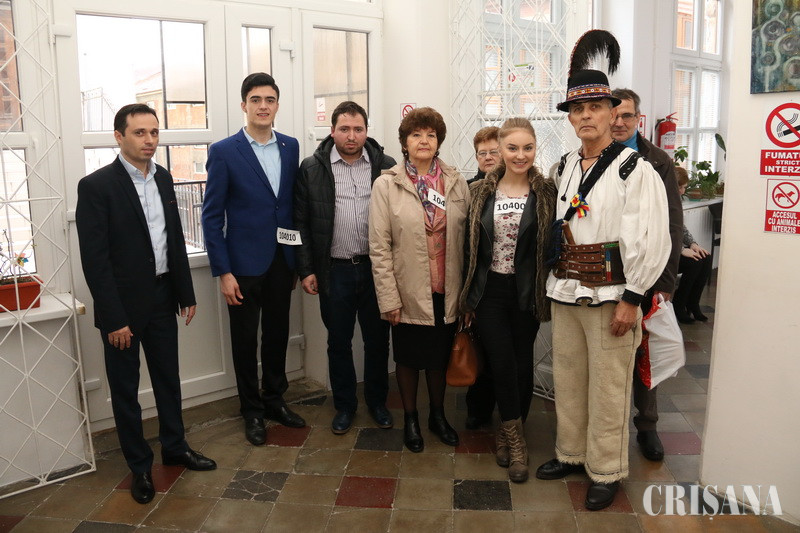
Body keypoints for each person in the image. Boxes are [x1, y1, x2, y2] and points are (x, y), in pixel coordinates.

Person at [534, 30, 670, 511]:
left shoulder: (636, 169)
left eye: (595, 107)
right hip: (566, 290)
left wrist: (633, 298)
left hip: (612, 295)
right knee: (569, 380)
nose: (586, 116)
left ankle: (606, 468)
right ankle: (572, 453)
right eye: (578, 109)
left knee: (610, 388)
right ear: (570, 118)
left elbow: (653, 239)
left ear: (614, 113)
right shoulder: (564, 167)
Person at [76, 104, 216, 504]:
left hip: (162, 297)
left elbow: (173, 239)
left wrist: (185, 293)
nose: (149, 140)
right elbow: (95, 261)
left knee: (168, 379)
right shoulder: (97, 186)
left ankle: (175, 447)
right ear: (119, 136)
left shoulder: (164, 178)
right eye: (140, 133)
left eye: (154, 132)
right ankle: (139, 466)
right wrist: (113, 318)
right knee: (125, 390)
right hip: (121, 308)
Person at [202, 73, 305, 447]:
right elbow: (211, 216)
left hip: (281, 260)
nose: (264, 106)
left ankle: (275, 400)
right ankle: (252, 411)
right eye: (256, 99)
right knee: (245, 341)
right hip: (242, 266)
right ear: (244, 105)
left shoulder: (291, 147)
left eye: (270, 99)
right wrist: (223, 271)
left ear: (277, 105)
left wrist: (296, 260)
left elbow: (288, 205)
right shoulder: (224, 151)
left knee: (277, 334)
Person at [460, 118, 557, 482]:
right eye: (512, 148)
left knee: (521, 365)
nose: (520, 155)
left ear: (535, 150)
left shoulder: (546, 193)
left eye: (527, 148)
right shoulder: (480, 192)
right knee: (500, 363)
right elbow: (468, 249)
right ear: (499, 150)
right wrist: (467, 299)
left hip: (527, 291)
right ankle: (517, 445)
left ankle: (507, 432)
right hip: (489, 292)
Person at [369, 107, 469, 453]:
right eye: (416, 134)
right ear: (404, 142)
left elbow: (468, 240)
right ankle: (411, 419)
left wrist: (467, 295)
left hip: (447, 287)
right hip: (407, 289)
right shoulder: (387, 184)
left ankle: (437, 416)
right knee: (409, 358)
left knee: (439, 357)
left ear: (439, 141)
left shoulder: (456, 182)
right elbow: (379, 246)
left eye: (430, 134)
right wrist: (389, 298)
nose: (424, 140)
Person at [294, 101, 396, 435]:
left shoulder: (386, 166)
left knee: (377, 342)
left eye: (358, 129)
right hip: (333, 272)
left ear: (366, 131)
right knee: (338, 342)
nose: (351, 136)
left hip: (376, 270)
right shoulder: (312, 168)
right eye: (344, 129)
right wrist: (306, 269)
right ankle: (345, 406)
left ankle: (377, 403)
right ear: (332, 131)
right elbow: (301, 223)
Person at [611, 88, 684, 462]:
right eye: (613, 115)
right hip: (607, 274)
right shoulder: (592, 158)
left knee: (645, 353)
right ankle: (609, 431)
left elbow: (672, 222)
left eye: (627, 115)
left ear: (638, 118)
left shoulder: (658, 161)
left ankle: (647, 426)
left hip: (648, 273)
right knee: (610, 355)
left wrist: (666, 282)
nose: (619, 122)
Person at [464, 126, 500, 430]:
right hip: (479, 285)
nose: (488, 157)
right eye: (482, 153)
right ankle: (479, 410)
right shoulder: (468, 190)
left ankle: (510, 414)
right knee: (482, 350)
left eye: (493, 151)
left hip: (510, 284)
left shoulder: (522, 187)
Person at [673, 166, 713, 323]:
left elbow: (680, 228)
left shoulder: (676, 201)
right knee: (694, 262)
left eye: (684, 187)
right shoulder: (661, 202)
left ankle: (693, 303)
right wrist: (681, 250)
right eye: (681, 187)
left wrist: (693, 244)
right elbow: (662, 232)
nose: (683, 191)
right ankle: (679, 305)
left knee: (705, 257)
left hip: (676, 249)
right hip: (664, 253)